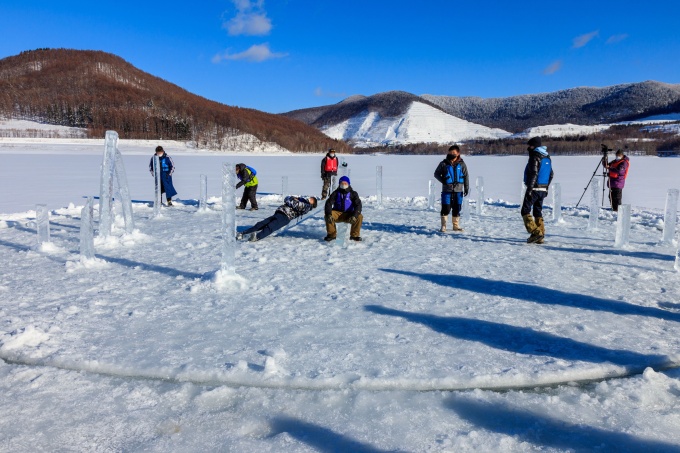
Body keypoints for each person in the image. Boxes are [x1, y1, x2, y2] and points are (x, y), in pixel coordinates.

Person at [237, 196, 318, 242]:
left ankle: (257, 237)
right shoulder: (300, 200)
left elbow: (295, 204)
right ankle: (244, 233)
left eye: (311, 199)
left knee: (270, 227)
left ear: (312, 203)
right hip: (280, 212)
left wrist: (292, 200)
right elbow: (287, 198)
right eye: (310, 197)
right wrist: (292, 199)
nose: (308, 198)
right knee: (261, 224)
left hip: (286, 217)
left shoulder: (307, 206)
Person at [521, 137, 554, 244]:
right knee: (537, 212)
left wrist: (530, 189)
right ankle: (541, 234)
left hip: (534, 188)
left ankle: (536, 233)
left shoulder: (535, 156)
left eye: (530, 146)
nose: (528, 148)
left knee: (525, 210)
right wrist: (546, 187)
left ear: (534, 146)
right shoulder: (547, 157)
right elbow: (551, 174)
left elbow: (533, 174)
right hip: (542, 189)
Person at [433, 145, 469, 232]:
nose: (451, 154)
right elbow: (436, 174)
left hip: (458, 190)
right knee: (446, 208)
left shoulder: (462, 164)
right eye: (450, 153)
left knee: (457, 208)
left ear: (458, 153)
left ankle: (456, 226)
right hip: (447, 190)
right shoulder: (443, 164)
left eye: (453, 153)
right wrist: (443, 181)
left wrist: (466, 187)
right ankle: (443, 226)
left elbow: (466, 176)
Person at [324, 176, 363, 242]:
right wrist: (328, 214)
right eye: (342, 183)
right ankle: (331, 235)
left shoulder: (353, 194)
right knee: (328, 216)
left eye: (345, 183)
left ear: (348, 184)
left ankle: (354, 236)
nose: (343, 185)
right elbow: (328, 203)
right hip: (337, 214)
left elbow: (358, 205)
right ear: (339, 184)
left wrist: (354, 216)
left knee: (359, 216)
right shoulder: (335, 193)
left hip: (349, 215)